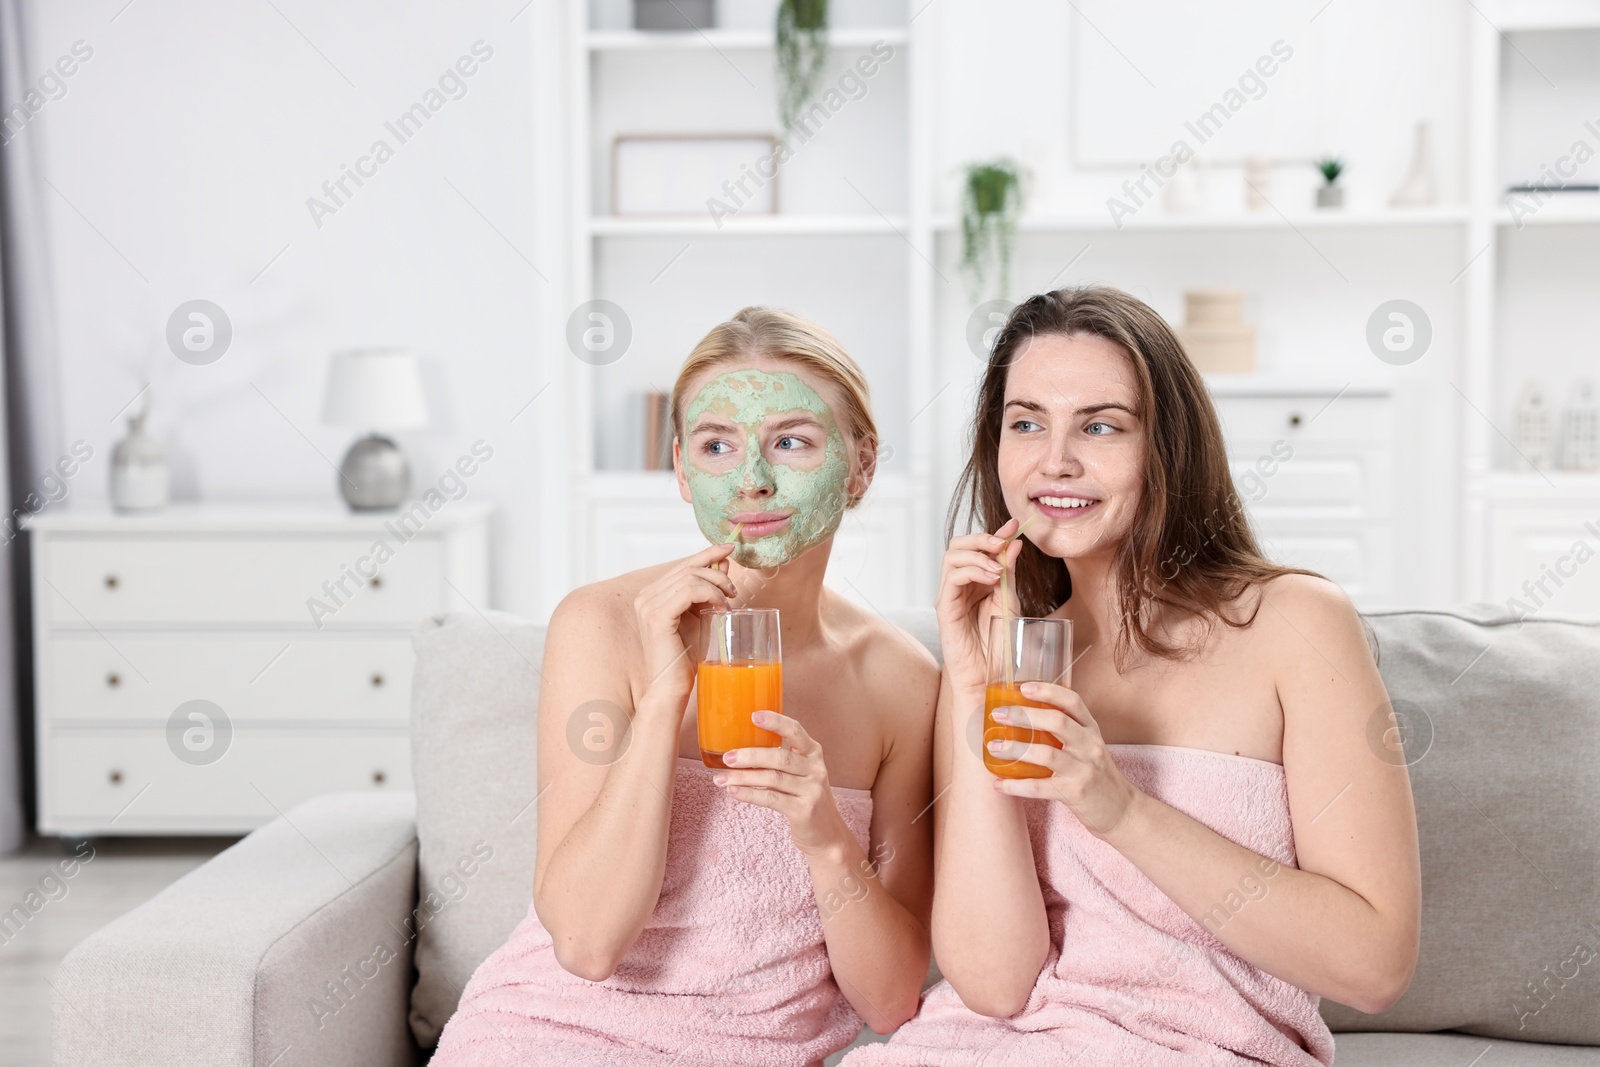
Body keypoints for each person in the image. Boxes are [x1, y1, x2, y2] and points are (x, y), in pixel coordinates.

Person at [845, 286, 1420, 1066]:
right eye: (1026, 423)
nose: (1055, 460)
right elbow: (994, 983)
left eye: (1100, 425)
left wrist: (1115, 806)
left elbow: (1375, 964)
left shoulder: (1295, 624)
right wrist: (975, 689)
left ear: (1167, 446)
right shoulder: (1005, 652)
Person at [430, 306, 938, 1067]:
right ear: (680, 468)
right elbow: (587, 941)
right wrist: (667, 695)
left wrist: (826, 834)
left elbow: (890, 998)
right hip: (545, 1034)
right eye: (716, 446)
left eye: (791, 442)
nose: (752, 479)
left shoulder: (905, 684)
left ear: (861, 463)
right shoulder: (602, 624)